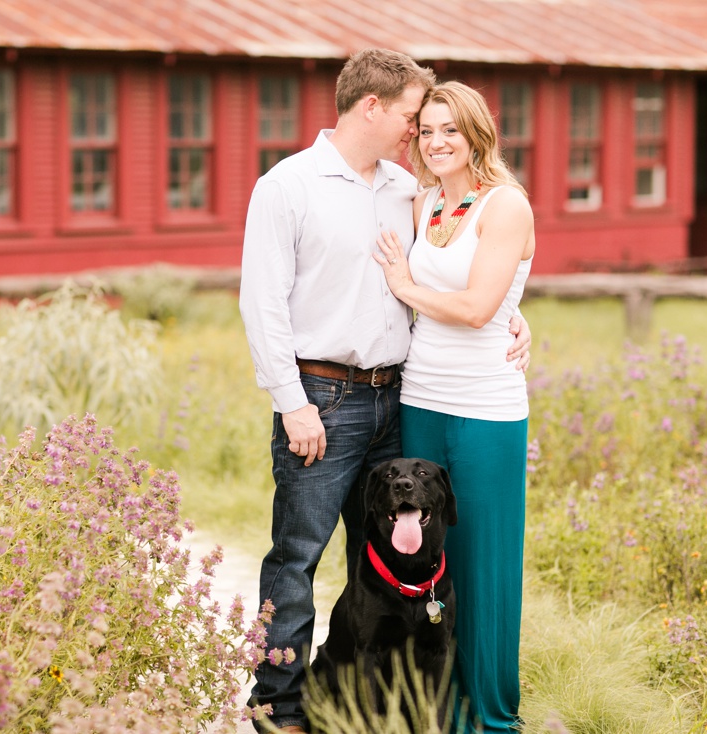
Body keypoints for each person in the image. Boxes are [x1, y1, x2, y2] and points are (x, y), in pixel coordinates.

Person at [239, 50, 530, 733]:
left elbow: (463, 276)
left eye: (432, 125)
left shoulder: (407, 190)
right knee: (297, 554)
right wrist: (291, 401)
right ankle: (279, 705)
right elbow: (262, 304)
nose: (418, 135)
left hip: (396, 398)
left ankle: (379, 700)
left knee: (386, 555)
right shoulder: (289, 186)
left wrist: (513, 313)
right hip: (321, 398)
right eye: (410, 118)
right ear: (372, 107)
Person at [373, 80, 535, 732]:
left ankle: (491, 717)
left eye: (451, 130)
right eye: (428, 130)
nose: (438, 142)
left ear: (476, 134)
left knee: (484, 561)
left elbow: (474, 310)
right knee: (426, 559)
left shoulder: (506, 205)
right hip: (423, 398)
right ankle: (437, 708)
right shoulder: (423, 206)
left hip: (486, 407)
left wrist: (405, 285)